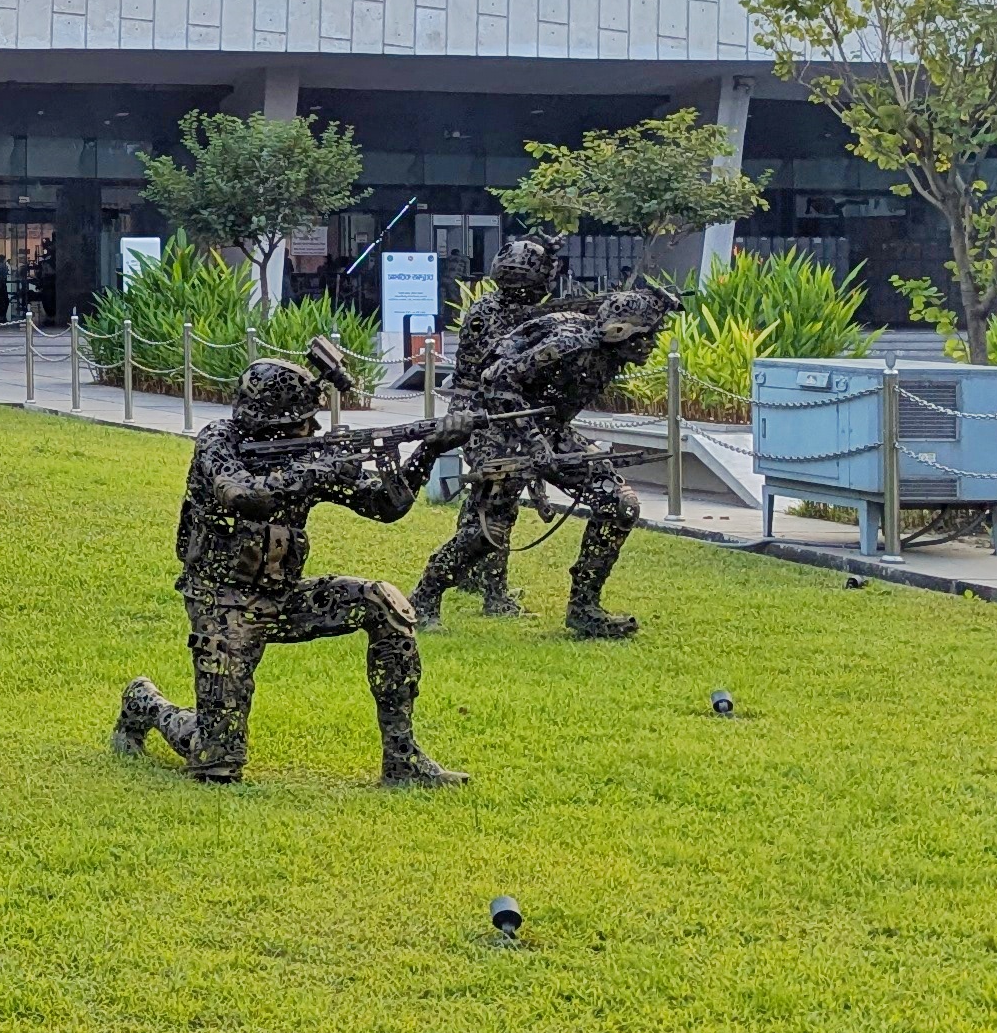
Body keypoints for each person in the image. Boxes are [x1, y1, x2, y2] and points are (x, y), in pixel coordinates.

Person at [116, 350, 473, 787]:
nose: (315, 428)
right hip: (221, 601)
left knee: (384, 603)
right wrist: (315, 471)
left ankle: (403, 759)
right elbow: (242, 495)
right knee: (217, 763)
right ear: (275, 425)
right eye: (306, 421)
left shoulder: (311, 457)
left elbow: (386, 505)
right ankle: (145, 703)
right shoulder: (219, 440)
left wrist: (428, 451)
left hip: (283, 595)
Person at [460, 285, 682, 638]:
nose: (651, 345)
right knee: (488, 529)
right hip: (499, 425)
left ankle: (584, 609)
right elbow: (497, 381)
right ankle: (428, 594)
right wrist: (533, 443)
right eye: (647, 336)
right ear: (620, 332)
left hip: (549, 427)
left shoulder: (610, 354)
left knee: (618, 502)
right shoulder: (568, 345)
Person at [406, 234, 574, 626]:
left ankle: (485, 581)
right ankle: (452, 589)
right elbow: (489, 370)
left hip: (507, 416)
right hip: (486, 416)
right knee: (492, 510)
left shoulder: (521, 313)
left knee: (495, 504)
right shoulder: (492, 314)